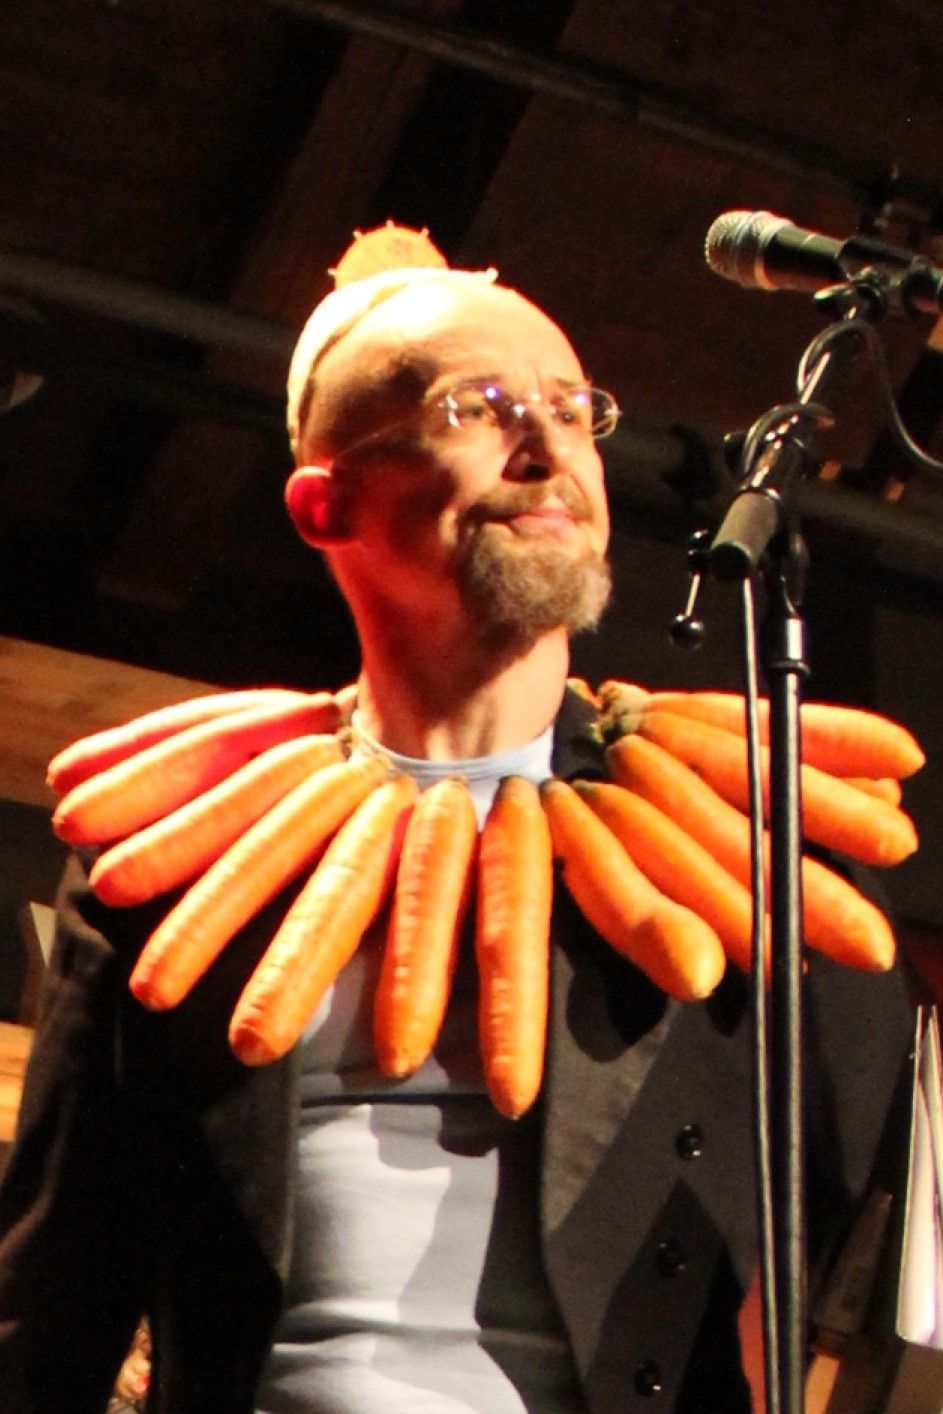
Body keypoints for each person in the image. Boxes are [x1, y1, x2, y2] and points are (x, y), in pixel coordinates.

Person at [0, 242, 918, 1414]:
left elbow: (841, 1222)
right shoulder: (172, 859)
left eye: (572, 410)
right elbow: (54, 1295)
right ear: (325, 504)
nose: (545, 449)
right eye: (474, 408)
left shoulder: (742, 851)